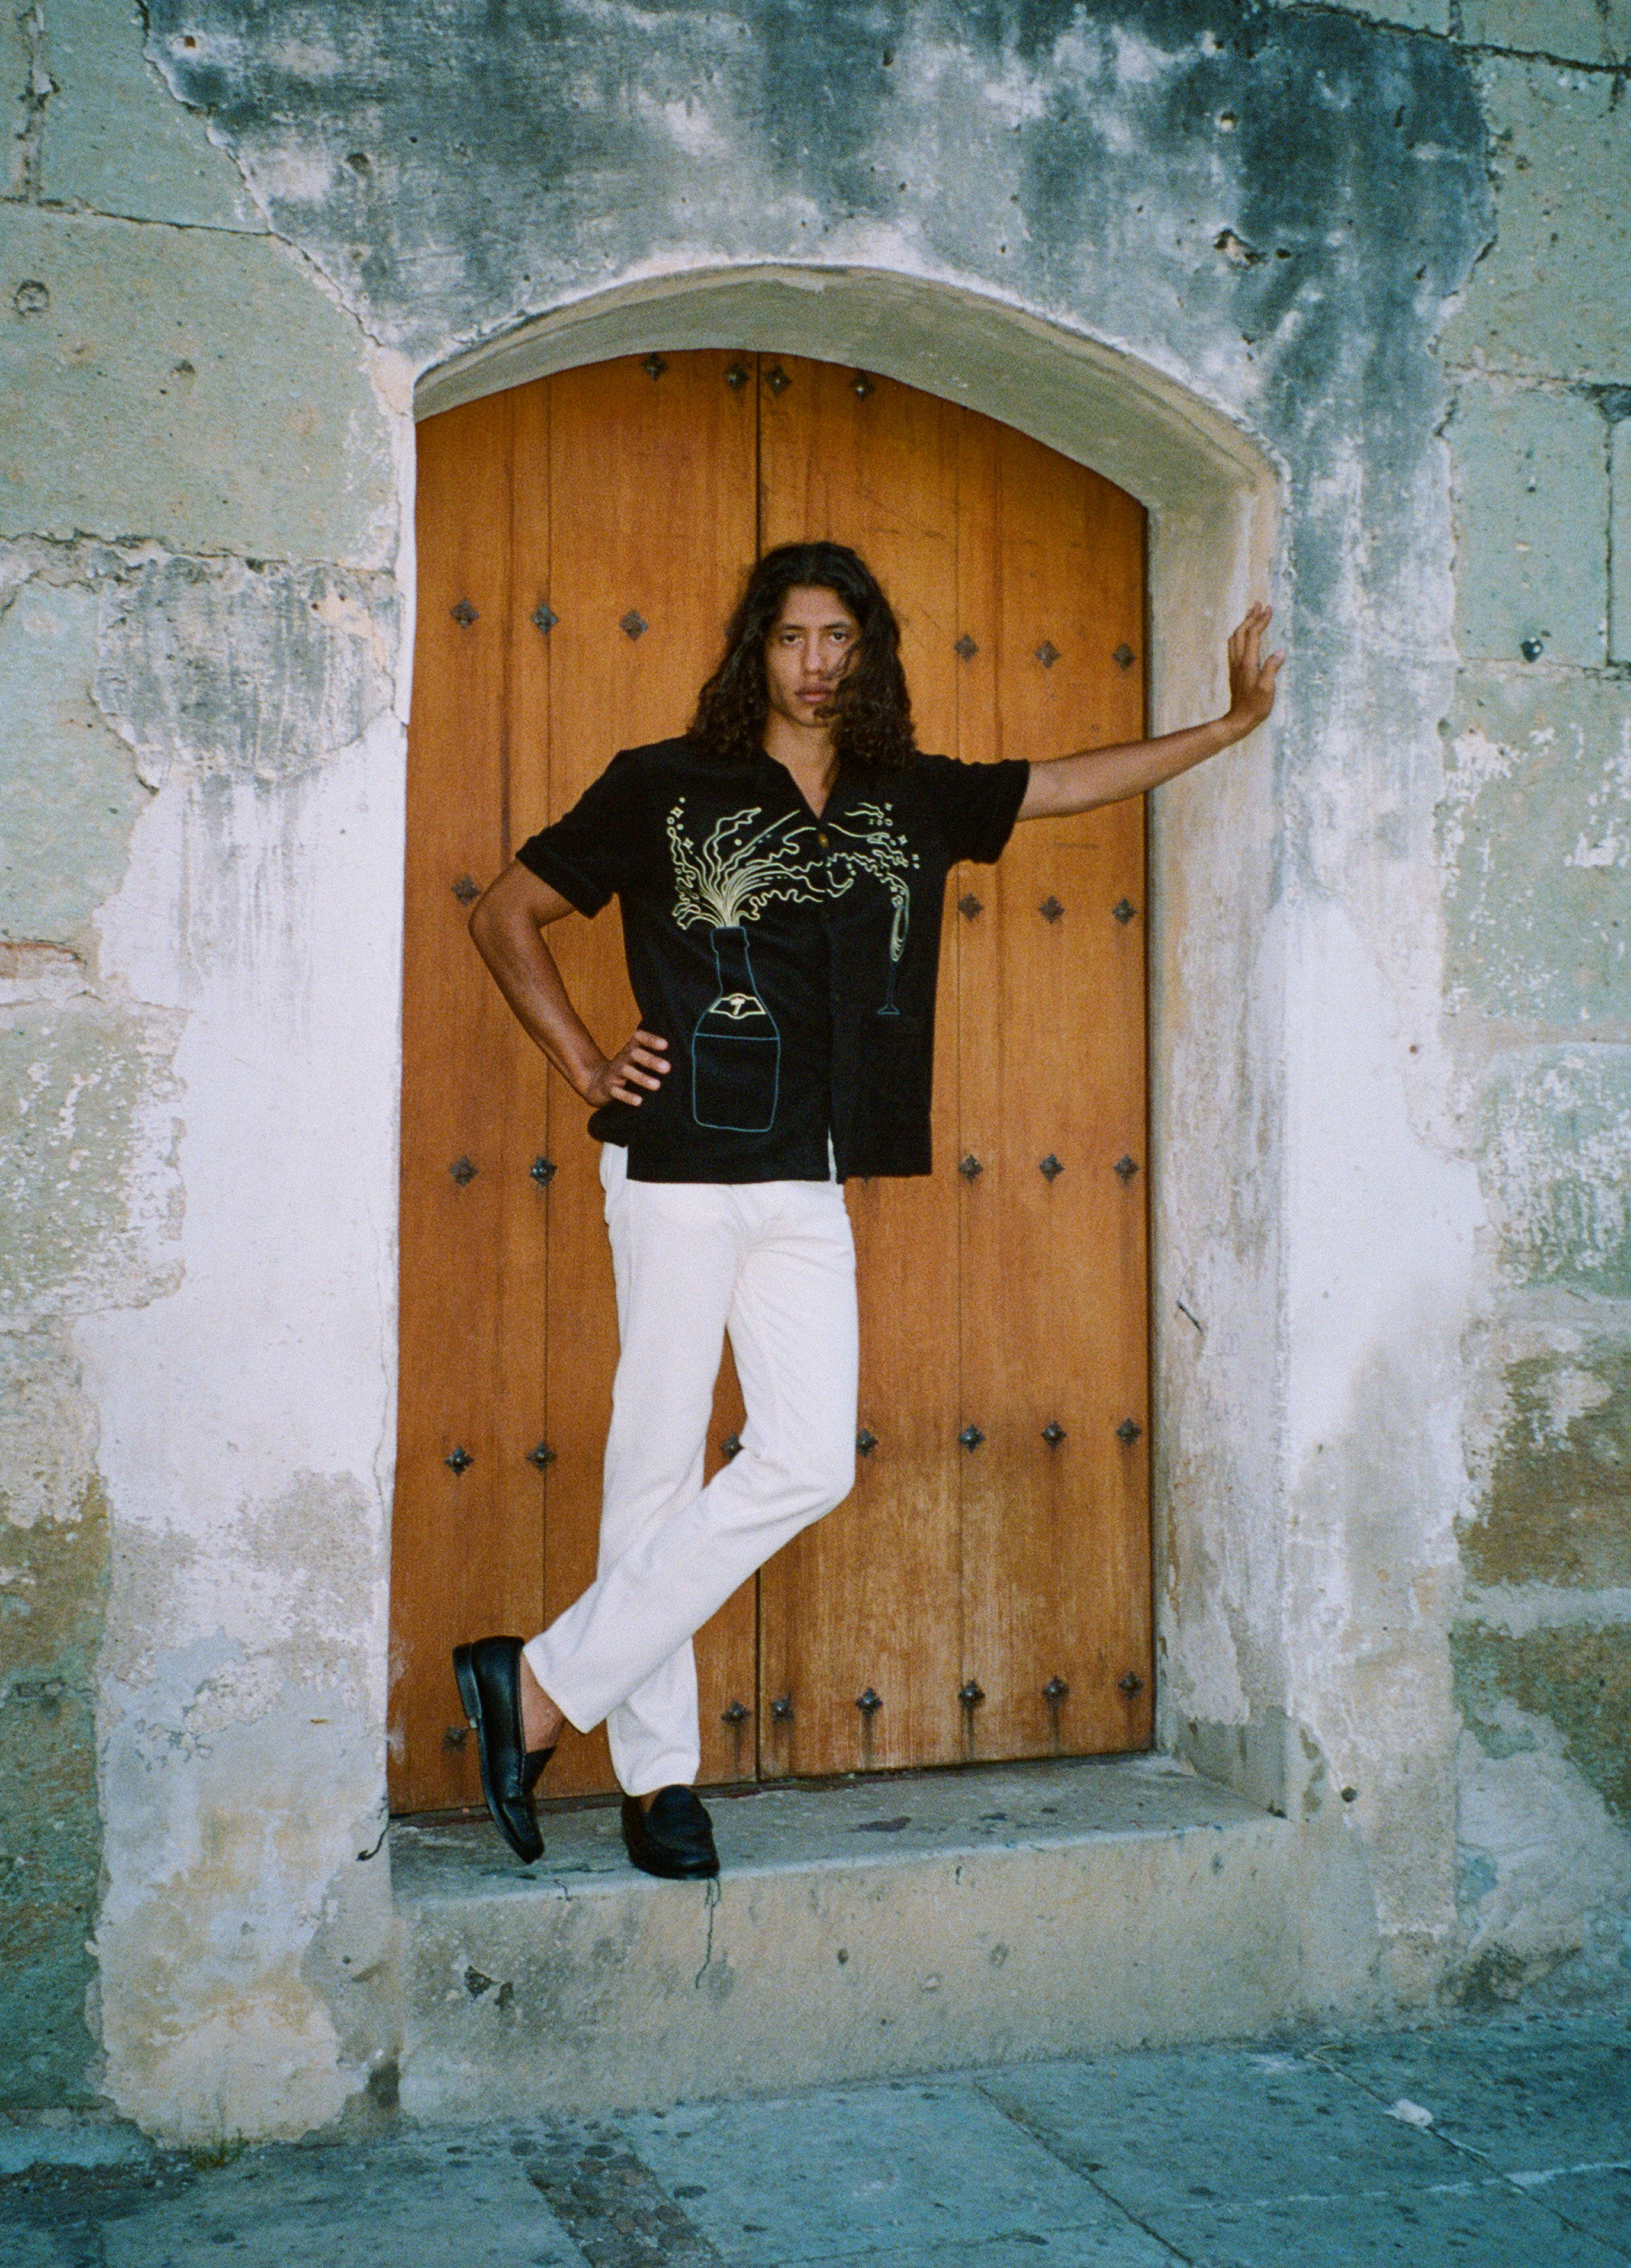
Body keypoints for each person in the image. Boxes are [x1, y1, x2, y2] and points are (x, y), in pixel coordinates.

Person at [454, 540, 1283, 1879]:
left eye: (839, 637)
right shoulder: (663, 782)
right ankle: (658, 1777)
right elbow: (505, 914)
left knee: (806, 1459)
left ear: (868, 653)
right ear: (757, 650)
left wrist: (1231, 727)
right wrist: (586, 1064)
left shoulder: (909, 796)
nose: (816, 662)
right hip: (677, 1166)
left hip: (807, 1177)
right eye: (792, 636)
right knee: (655, 1462)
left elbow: (1064, 782)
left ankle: (539, 1684)